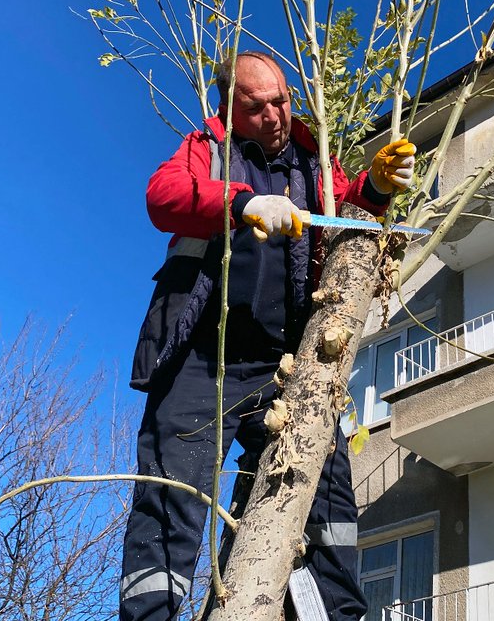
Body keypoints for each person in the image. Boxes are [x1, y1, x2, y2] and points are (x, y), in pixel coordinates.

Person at [120, 51, 416, 621]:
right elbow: (164, 197)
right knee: (171, 494)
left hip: (288, 367)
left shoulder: (312, 162)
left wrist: (375, 186)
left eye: (281, 100)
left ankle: (336, 614)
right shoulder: (206, 151)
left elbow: (346, 216)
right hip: (203, 362)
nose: (276, 115)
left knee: (323, 492)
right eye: (257, 108)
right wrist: (240, 202)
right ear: (230, 109)